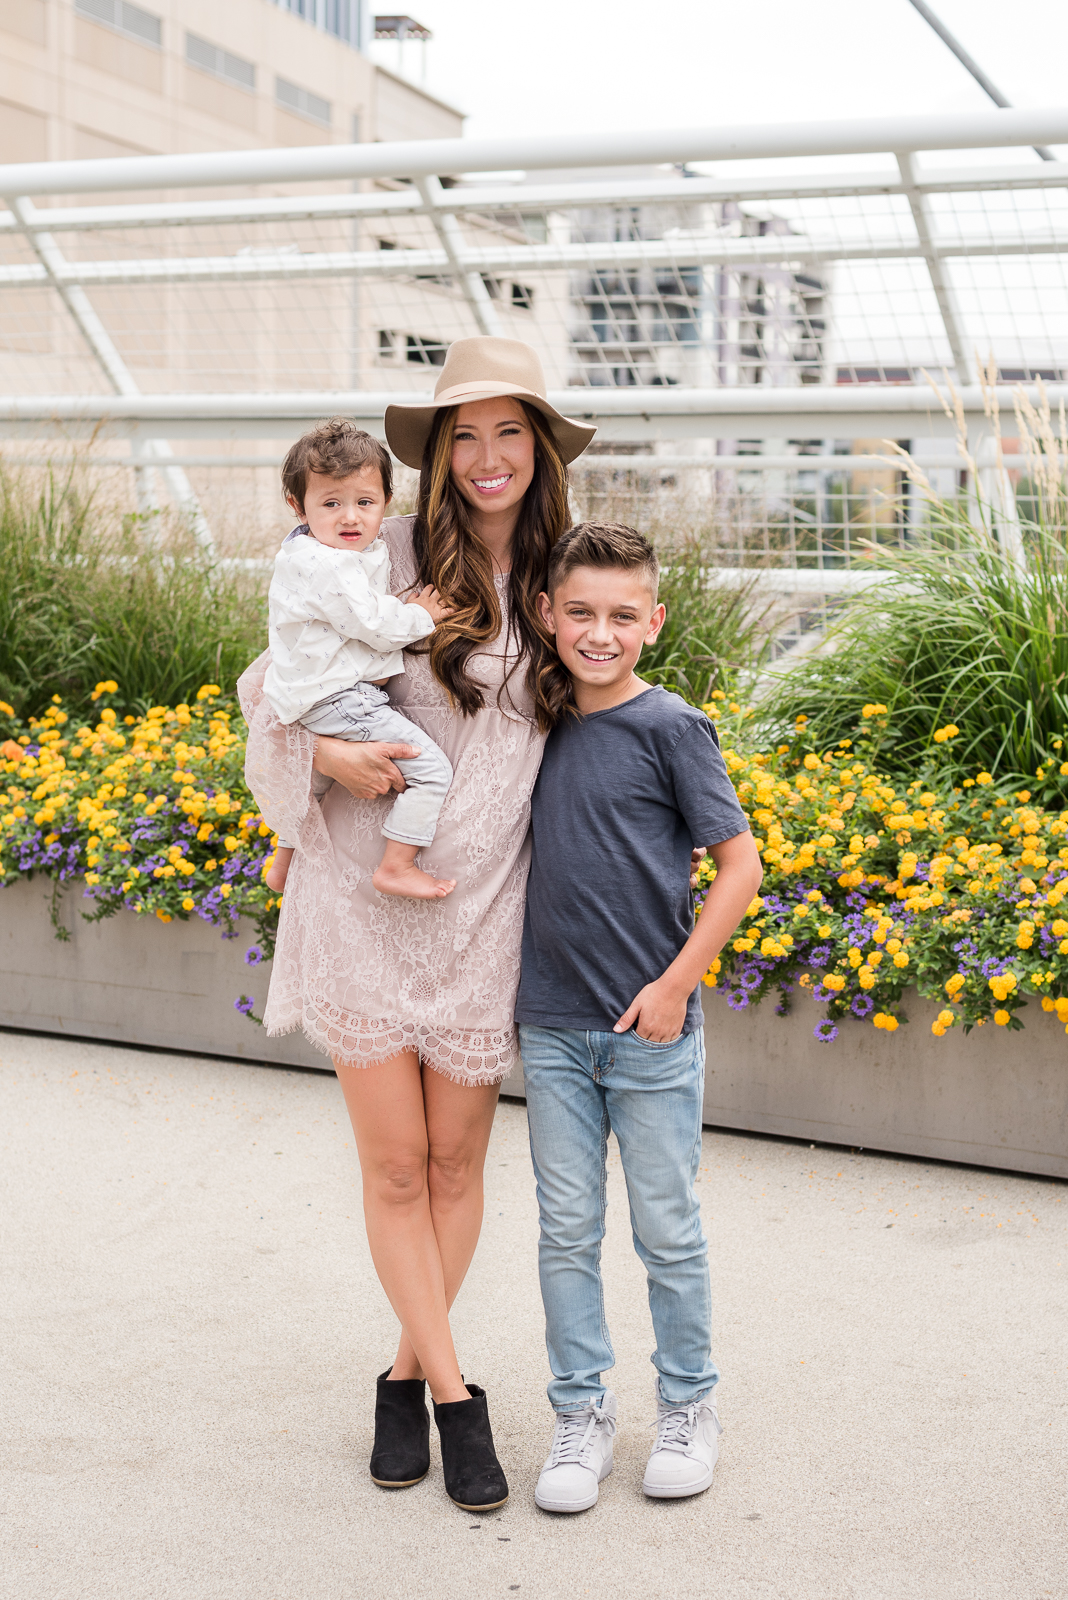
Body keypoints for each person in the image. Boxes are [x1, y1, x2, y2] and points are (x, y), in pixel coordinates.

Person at [238, 337, 596, 1512]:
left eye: (509, 433)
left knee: (456, 1161)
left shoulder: (565, 574)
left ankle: (400, 1368)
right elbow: (267, 689)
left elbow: (613, 713)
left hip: (488, 904)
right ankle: (455, 1399)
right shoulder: (372, 547)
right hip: (362, 886)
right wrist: (325, 751)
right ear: (437, 455)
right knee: (395, 1166)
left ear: (539, 450)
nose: (488, 457)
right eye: (465, 435)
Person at [514, 522, 763, 1514]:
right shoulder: (530, 725)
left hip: (652, 1032)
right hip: (553, 1026)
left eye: (622, 615)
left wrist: (673, 986)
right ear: (547, 614)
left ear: (653, 622)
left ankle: (689, 1407)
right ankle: (579, 1416)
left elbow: (739, 865)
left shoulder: (674, 729)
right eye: (580, 612)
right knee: (565, 1228)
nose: (600, 632)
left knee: (667, 1227)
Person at [262, 420, 457, 901]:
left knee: (317, 782)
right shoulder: (326, 563)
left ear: (386, 501)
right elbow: (373, 621)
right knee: (432, 770)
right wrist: (420, 614)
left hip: (316, 695)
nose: (350, 517)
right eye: (331, 503)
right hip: (340, 697)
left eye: (364, 503)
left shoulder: (314, 552)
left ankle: (283, 861)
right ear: (298, 506)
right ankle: (397, 863)